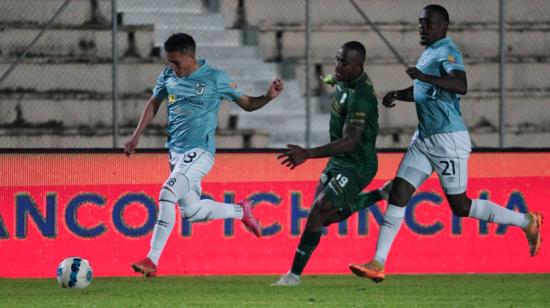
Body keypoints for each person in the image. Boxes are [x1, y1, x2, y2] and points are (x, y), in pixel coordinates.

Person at [349, 4, 543, 283]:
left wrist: (424, 77)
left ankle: (526, 222)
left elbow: (459, 84)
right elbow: (426, 91)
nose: (421, 27)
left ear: (442, 26)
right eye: (419, 22)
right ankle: (378, 261)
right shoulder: (429, 52)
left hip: (447, 140)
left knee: (461, 207)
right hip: (425, 139)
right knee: (399, 193)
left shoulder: (448, 50)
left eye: (427, 23)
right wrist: (399, 94)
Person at [125, 33, 284, 277]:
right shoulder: (168, 75)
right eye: (169, 62)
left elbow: (247, 103)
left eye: (177, 62)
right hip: (175, 153)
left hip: (200, 152)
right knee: (192, 212)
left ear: (190, 57)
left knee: (167, 194)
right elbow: (154, 104)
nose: (172, 67)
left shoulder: (214, 78)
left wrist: (268, 97)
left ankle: (151, 259)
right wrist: (136, 136)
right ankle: (241, 211)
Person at [272, 41, 391, 286]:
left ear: (359, 66)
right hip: (340, 162)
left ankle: (293, 276)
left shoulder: (362, 98)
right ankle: (379, 194)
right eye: (337, 59)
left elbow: (350, 141)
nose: (338, 66)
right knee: (323, 217)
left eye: (344, 63)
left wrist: (308, 153)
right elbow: (336, 79)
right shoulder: (345, 80)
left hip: (358, 165)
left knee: (317, 212)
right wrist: (329, 78)